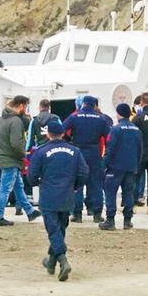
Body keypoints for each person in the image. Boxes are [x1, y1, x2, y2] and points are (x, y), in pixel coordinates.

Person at [28, 120, 88, 282]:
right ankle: (51, 261)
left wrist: (37, 183)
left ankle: (62, 260)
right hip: (67, 196)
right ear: (63, 133)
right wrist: (74, 186)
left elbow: (32, 175)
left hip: (48, 195)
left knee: (53, 230)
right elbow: (83, 172)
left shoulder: (41, 152)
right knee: (60, 229)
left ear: (48, 134)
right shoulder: (75, 151)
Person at [0, 95, 42, 226]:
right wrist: (23, 154)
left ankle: (30, 211)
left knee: (18, 187)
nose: (25, 110)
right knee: (5, 189)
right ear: (21, 105)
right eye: (25, 107)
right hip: (11, 159)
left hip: (4, 157)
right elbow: (16, 143)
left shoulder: (3, 119)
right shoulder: (15, 121)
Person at [62, 95, 111, 223]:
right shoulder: (101, 119)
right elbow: (109, 138)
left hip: (78, 152)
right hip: (95, 153)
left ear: (83, 104)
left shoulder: (74, 116)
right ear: (94, 105)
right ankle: (97, 213)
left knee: (77, 184)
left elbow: (61, 130)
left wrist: (69, 141)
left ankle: (77, 214)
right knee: (95, 184)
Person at [99, 103, 142, 231]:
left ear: (119, 114)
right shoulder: (137, 130)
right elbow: (140, 150)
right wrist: (136, 165)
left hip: (115, 167)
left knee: (110, 193)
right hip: (130, 167)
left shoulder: (116, 130)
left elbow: (110, 149)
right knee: (128, 193)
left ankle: (110, 220)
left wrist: (103, 165)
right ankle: (127, 221)